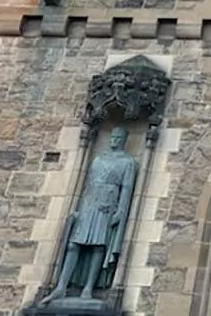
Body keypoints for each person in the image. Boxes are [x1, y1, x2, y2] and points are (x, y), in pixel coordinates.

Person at [42, 126, 138, 303]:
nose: (114, 140)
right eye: (113, 137)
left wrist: (121, 210)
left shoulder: (128, 162)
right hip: (88, 203)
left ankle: (88, 287)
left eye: (118, 138)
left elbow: (126, 189)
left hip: (107, 206)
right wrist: (77, 207)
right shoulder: (98, 159)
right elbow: (87, 183)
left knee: (98, 246)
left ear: (124, 140)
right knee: (73, 245)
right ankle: (61, 286)